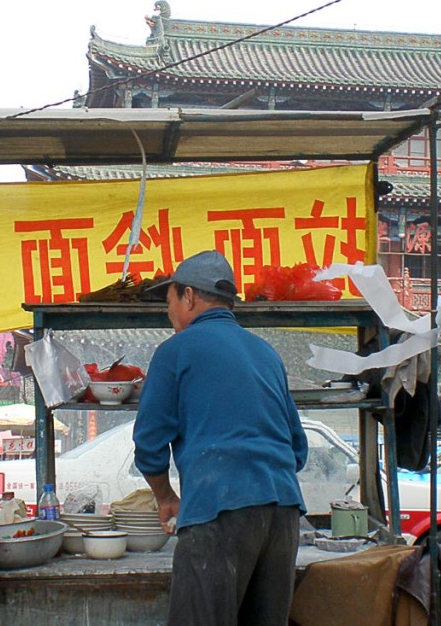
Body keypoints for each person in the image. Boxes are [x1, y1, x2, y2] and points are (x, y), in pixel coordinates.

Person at [133, 250, 309, 626]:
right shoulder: (266, 353)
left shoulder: (174, 352)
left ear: (189, 297)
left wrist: (165, 498)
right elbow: (297, 448)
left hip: (218, 510)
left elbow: (149, 443)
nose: (169, 313)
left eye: (169, 301)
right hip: (283, 513)